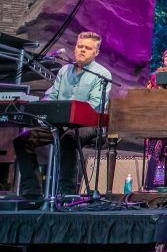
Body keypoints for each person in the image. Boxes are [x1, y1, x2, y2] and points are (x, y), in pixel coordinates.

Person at [13, 32, 112, 199]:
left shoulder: (102, 75)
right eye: (80, 46)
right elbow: (51, 96)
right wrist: (46, 111)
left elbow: (95, 106)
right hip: (59, 124)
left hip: (88, 126)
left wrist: (69, 114)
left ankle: (67, 192)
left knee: (69, 138)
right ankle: (32, 192)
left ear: (96, 53)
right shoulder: (64, 71)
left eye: (88, 48)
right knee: (22, 140)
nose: (82, 50)